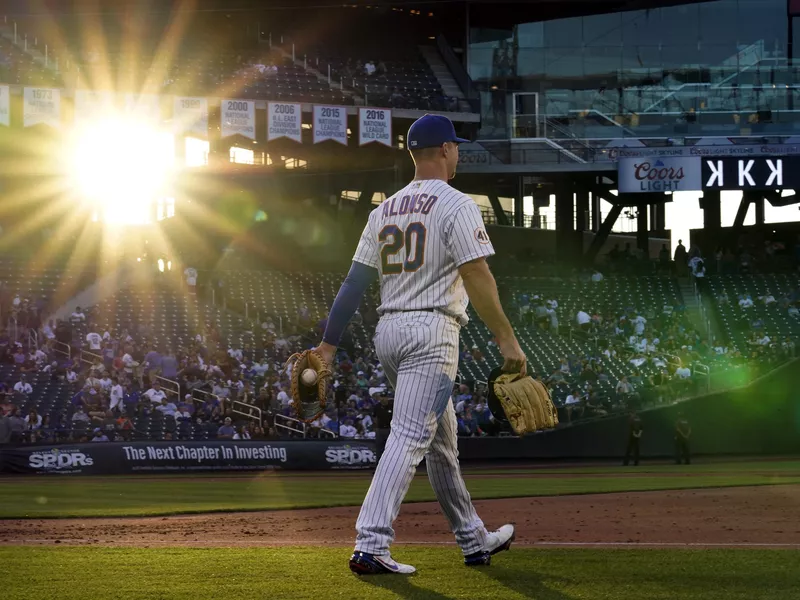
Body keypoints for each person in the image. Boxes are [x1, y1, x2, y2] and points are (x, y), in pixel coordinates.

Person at [311, 114, 518, 575]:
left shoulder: (382, 210)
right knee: (409, 436)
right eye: (457, 146)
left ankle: (473, 539)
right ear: (444, 149)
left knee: (441, 445)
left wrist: (328, 345)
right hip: (432, 331)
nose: (459, 153)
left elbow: (353, 282)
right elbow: (476, 273)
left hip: (389, 331)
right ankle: (371, 542)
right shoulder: (457, 203)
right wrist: (506, 338)